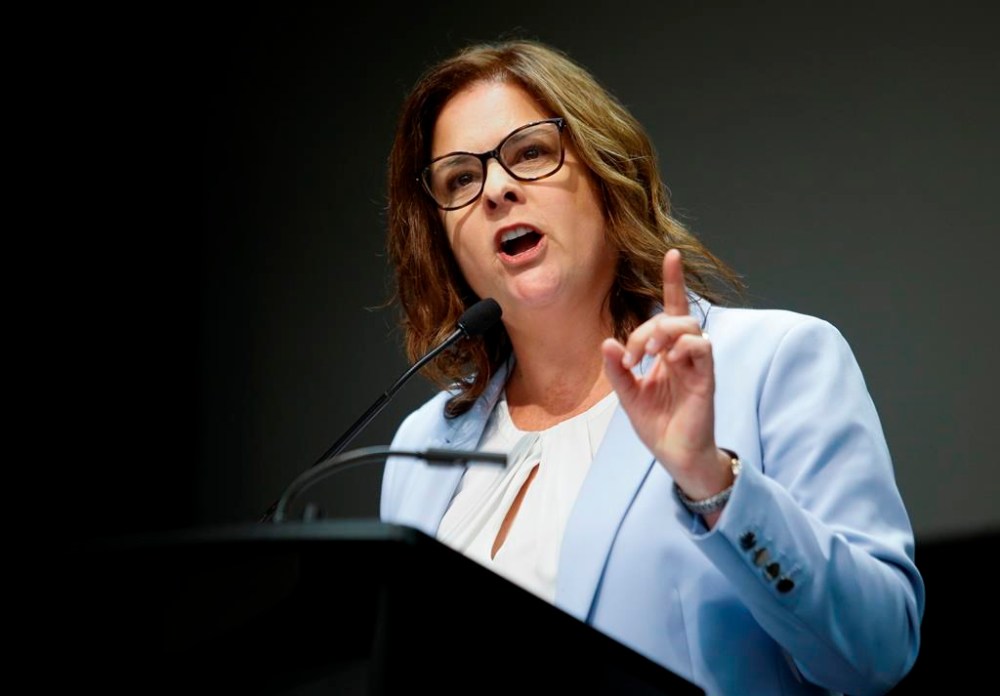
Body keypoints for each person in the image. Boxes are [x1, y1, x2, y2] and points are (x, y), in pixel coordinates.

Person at [378, 37, 924, 695]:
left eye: (529, 153)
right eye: (460, 179)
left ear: (608, 177)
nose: (495, 189)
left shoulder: (774, 363)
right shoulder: (423, 446)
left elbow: (878, 653)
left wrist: (711, 480)